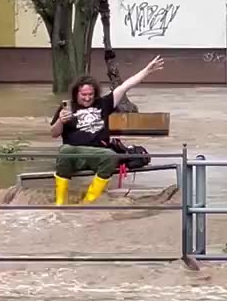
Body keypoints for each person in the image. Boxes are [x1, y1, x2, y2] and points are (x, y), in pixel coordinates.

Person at [50, 55, 164, 206]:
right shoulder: (67, 107)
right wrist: (60, 120)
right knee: (65, 151)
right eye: (83, 95)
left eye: (90, 94)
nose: (87, 98)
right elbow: (54, 133)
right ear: (76, 93)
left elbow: (125, 86)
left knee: (111, 156)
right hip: (74, 153)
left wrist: (147, 70)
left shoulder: (103, 103)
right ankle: (60, 203)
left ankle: (88, 202)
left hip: (99, 155)